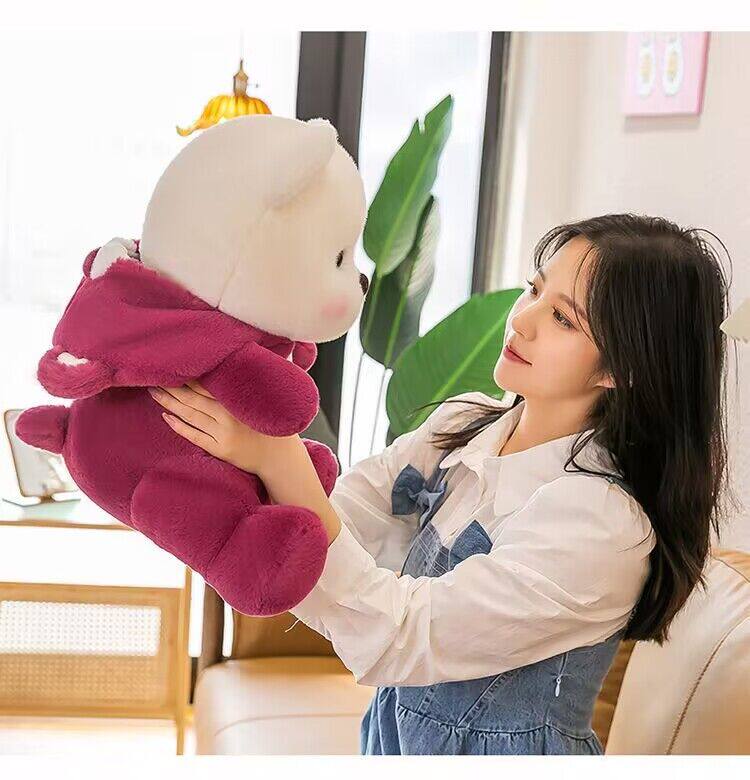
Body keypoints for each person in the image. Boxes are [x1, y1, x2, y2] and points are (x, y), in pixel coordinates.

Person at [147, 212, 740, 755]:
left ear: (623, 367)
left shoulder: (600, 522)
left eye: (563, 319)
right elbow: (335, 523)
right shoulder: (462, 427)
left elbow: (397, 636)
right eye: (534, 289)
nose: (523, 320)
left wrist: (279, 461)